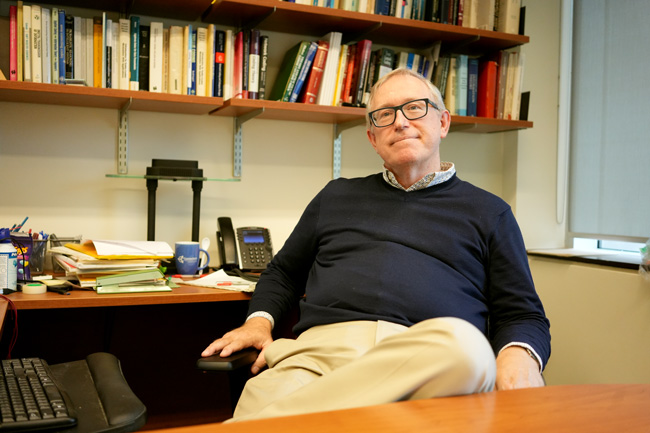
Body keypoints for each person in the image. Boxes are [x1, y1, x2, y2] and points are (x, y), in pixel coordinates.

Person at [202, 68, 551, 422]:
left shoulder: (490, 212)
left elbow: (522, 313)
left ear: (443, 122)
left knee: (467, 347)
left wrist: (519, 353)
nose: (400, 123)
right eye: (385, 115)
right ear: (372, 137)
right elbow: (284, 273)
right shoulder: (336, 196)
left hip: (429, 366)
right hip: (316, 359)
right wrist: (258, 323)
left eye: (414, 107)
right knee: (267, 391)